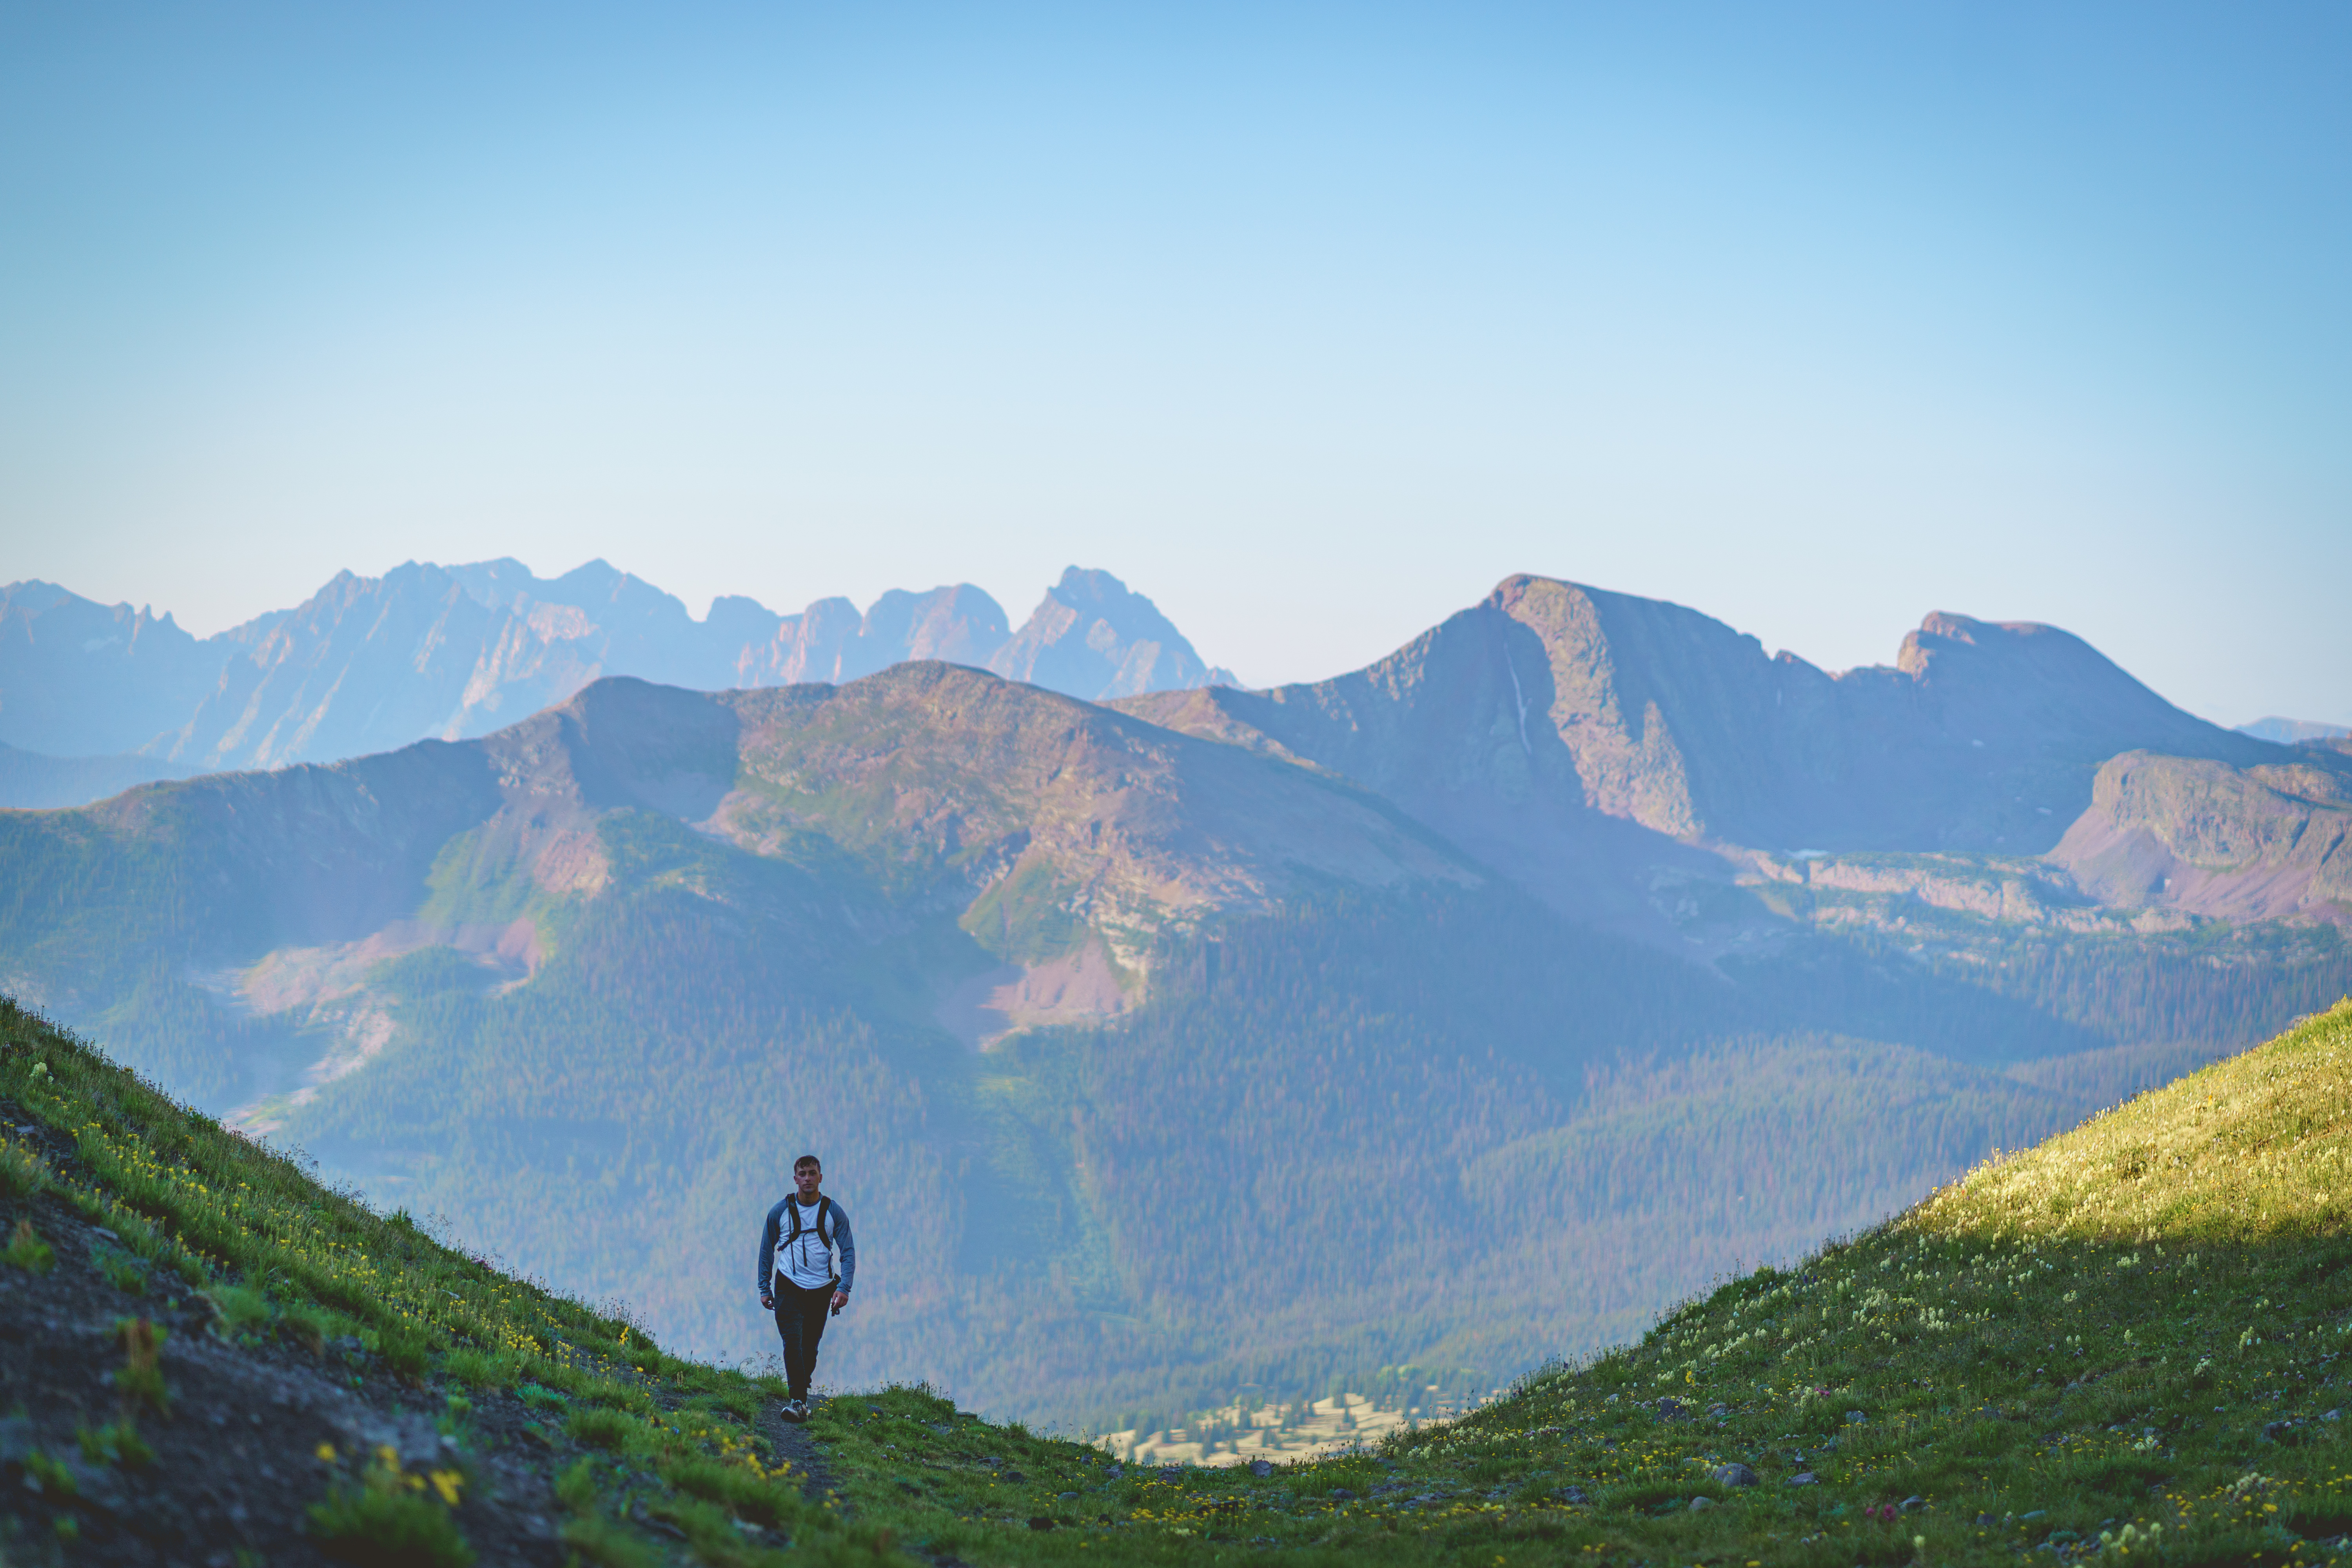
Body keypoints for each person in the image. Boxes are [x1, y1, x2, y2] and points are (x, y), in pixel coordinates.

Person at [756, 1154, 855, 1421]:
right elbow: (767, 1250)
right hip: (788, 1286)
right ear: (795, 1179)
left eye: (813, 1173)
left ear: (821, 1177)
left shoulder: (833, 1213)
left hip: (822, 1290)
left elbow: (848, 1251)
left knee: (810, 1346)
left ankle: (801, 1395)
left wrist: (844, 1288)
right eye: (803, 1174)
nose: (808, 1179)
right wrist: (764, 1288)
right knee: (793, 1342)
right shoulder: (780, 1212)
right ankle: (798, 1401)